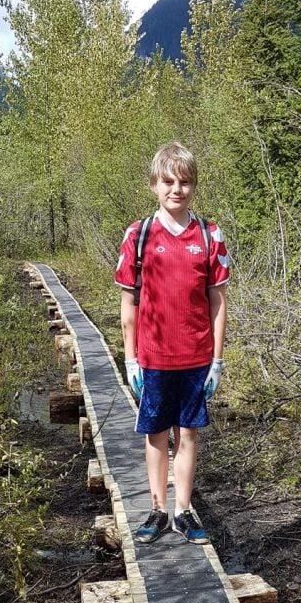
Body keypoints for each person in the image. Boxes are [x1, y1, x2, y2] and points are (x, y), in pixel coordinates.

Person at [115, 142, 229, 545]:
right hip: (154, 359)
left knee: (189, 435)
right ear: (154, 185)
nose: (176, 189)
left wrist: (217, 360)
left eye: (184, 182)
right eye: (168, 181)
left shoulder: (209, 235)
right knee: (156, 435)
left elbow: (217, 301)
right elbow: (129, 304)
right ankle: (158, 510)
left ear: (194, 186)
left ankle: (184, 510)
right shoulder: (140, 235)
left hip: (196, 357)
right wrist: (131, 360)